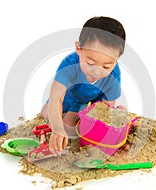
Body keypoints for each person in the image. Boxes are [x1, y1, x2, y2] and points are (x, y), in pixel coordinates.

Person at [41, 16, 129, 155]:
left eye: (106, 66)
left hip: (94, 103)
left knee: (70, 128)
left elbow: (106, 109)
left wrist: (98, 118)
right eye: (90, 63)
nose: (97, 71)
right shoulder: (69, 65)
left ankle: (120, 113)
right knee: (47, 113)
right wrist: (57, 129)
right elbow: (56, 98)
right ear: (78, 48)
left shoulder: (114, 76)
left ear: (117, 59)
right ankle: (71, 117)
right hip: (71, 96)